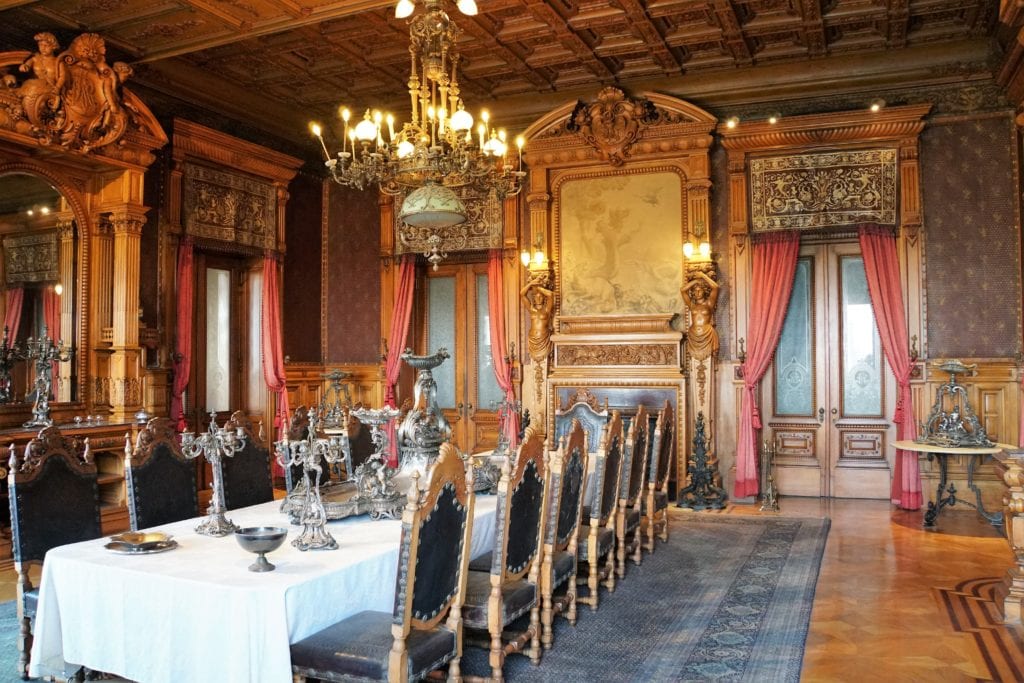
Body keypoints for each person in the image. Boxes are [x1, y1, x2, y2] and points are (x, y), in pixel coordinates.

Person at [681, 270, 720, 360]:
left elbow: (715, 287)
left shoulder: (709, 303)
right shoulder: (691, 305)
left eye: (700, 290)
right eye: (695, 291)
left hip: (707, 335)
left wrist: (702, 276)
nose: (697, 292)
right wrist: (695, 281)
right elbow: (682, 290)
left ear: (704, 291)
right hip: (693, 335)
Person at [521, 276, 554, 362]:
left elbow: (550, 295)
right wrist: (531, 284)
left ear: (544, 298)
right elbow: (522, 294)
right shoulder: (531, 309)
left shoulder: (546, 309)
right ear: (534, 298)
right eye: (536, 296)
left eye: (541, 296)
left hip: (543, 339)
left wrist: (538, 287)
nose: (538, 298)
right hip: (532, 339)